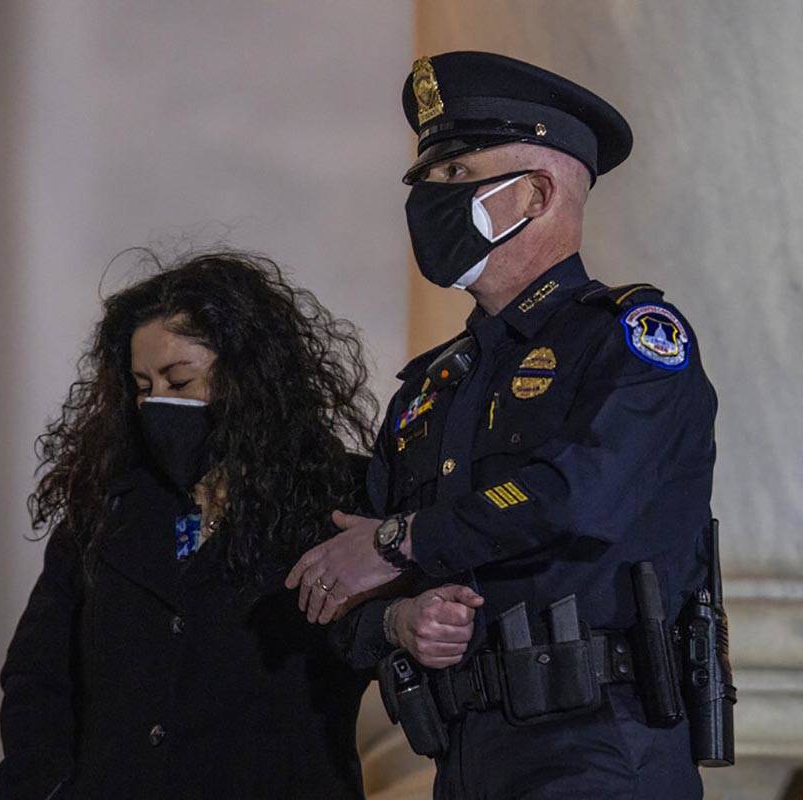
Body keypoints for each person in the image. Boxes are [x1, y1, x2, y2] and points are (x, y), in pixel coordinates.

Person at [286, 52, 718, 798]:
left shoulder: (629, 340)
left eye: (456, 176)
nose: (429, 197)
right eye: (428, 178)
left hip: (600, 748)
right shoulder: (430, 386)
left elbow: (575, 496)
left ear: (538, 193)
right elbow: (353, 584)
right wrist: (399, 621)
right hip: (465, 752)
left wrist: (401, 540)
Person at [0, 251, 382, 799]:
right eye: (142, 384)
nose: (158, 404)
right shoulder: (106, 511)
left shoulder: (344, 499)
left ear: (250, 379)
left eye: (180, 381)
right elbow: (38, 674)